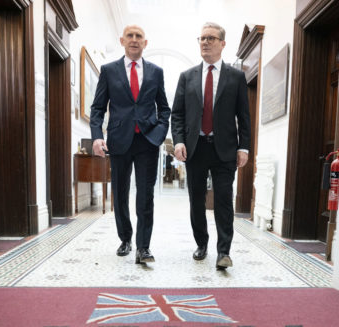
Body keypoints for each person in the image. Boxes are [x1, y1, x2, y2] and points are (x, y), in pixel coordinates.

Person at [171, 22, 250, 269]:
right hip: (195, 148)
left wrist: (244, 147)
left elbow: (244, 115)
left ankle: (223, 251)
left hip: (224, 148)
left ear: (222, 44)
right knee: (196, 199)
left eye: (211, 38)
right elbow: (178, 114)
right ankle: (201, 244)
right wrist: (179, 141)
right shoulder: (187, 76)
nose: (205, 42)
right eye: (202, 38)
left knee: (224, 200)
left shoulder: (236, 77)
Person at [90, 25, 170, 264]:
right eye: (130, 36)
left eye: (139, 37)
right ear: (122, 40)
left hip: (147, 141)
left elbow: (164, 109)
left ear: (145, 43)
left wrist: (158, 134)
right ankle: (126, 238)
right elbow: (97, 108)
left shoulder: (156, 72)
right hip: (118, 140)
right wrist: (97, 135)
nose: (134, 40)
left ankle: (143, 248)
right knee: (120, 192)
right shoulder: (108, 70)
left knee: (145, 195)